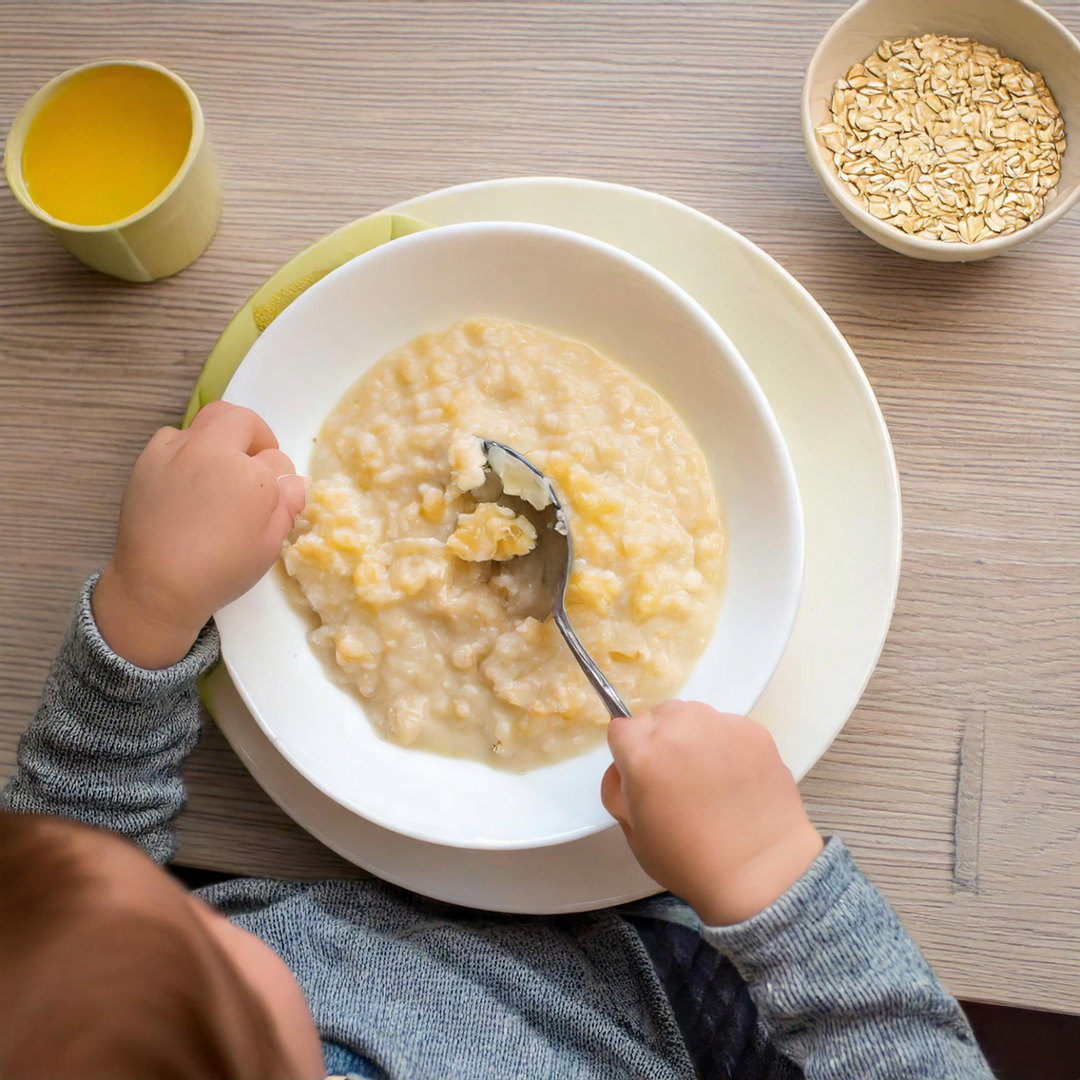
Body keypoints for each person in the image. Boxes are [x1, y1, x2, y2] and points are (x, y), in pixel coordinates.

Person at [0, 401, 991, 1080]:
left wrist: (147, 606)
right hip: (698, 1001)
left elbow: (79, 849)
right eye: (203, 931)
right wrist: (773, 880)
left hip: (420, 892)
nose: (216, 917)